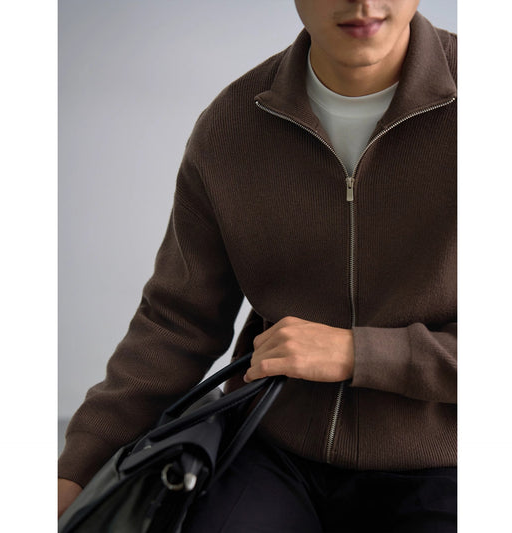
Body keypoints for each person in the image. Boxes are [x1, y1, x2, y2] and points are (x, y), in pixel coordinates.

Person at [59, 1, 457, 530]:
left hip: (448, 457)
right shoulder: (234, 124)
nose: (362, 2)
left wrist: (359, 353)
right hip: (272, 448)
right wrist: (76, 470)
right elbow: (176, 323)